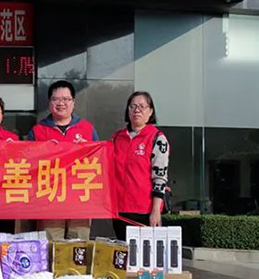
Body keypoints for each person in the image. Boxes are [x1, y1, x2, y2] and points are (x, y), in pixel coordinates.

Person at [26, 80, 97, 240]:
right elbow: (28, 165)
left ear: (73, 102)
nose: (61, 103)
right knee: (50, 246)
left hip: (80, 200)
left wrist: (85, 150)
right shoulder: (38, 131)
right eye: (55, 99)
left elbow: (99, 163)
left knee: (78, 246)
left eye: (65, 99)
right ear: (49, 102)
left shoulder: (87, 129)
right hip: (49, 200)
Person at [111, 90, 169, 240]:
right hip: (119, 209)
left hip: (144, 210)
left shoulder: (157, 138)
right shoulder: (117, 138)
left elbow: (160, 177)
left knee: (143, 253)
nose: (137, 110)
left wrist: (156, 210)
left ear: (150, 112)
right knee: (122, 252)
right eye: (133, 106)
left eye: (142, 106)